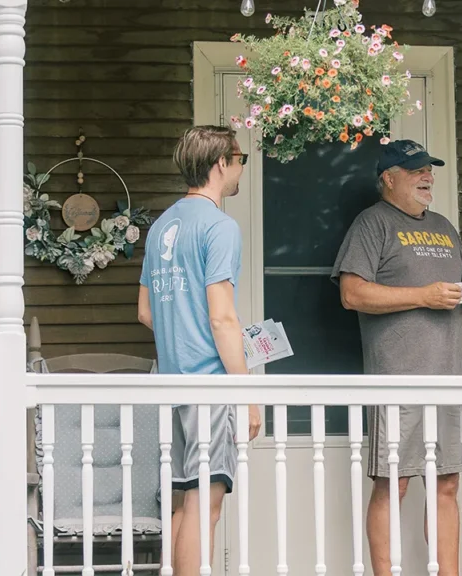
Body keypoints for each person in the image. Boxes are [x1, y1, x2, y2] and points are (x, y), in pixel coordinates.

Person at [331, 139, 462, 576]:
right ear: (389, 178)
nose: (427, 176)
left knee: (447, 483)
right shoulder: (372, 224)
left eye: (429, 169)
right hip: (396, 380)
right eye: (417, 170)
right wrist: (423, 296)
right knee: (394, 483)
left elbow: (460, 286)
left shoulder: (444, 227)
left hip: (450, 378)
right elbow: (351, 293)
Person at [137, 125, 262, 575]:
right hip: (209, 385)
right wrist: (247, 395)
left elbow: (146, 312)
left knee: (186, 502)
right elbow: (222, 317)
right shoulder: (219, 226)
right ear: (220, 163)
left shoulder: (161, 227)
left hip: (170, 384)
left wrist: (182, 330)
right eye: (239, 159)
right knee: (205, 505)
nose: (241, 168)